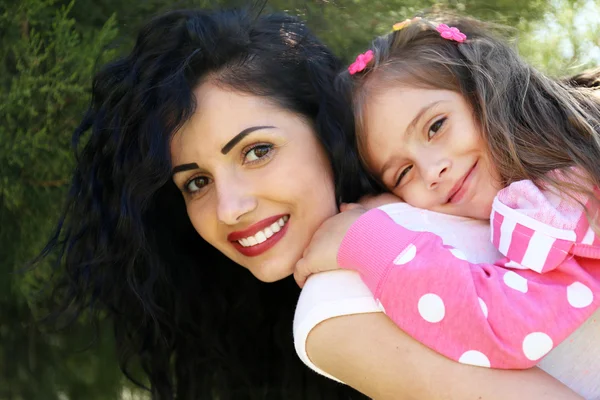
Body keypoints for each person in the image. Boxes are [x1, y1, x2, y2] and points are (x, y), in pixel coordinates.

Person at [36, 7, 586, 399]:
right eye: (195, 183)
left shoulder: (338, 300)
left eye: (257, 151)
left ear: (326, 132)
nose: (229, 208)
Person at [292, 12, 600, 392]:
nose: (432, 170)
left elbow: (506, 324)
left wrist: (368, 243)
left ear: (486, 86)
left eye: (436, 126)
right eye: (402, 174)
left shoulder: (563, 191)